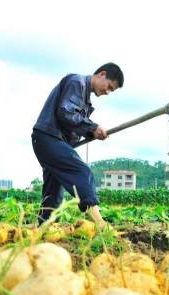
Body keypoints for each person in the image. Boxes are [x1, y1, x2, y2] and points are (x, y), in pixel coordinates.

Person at [32, 63, 124, 228]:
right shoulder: (77, 82)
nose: (107, 92)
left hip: (50, 140)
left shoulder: (85, 98)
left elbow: (73, 124)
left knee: (53, 191)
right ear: (101, 74)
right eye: (109, 87)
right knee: (81, 171)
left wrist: (91, 132)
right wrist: (93, 127)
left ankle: (44, 227)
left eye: (111, 91)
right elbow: (65, 113)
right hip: (49, 137)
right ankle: (100, 223)